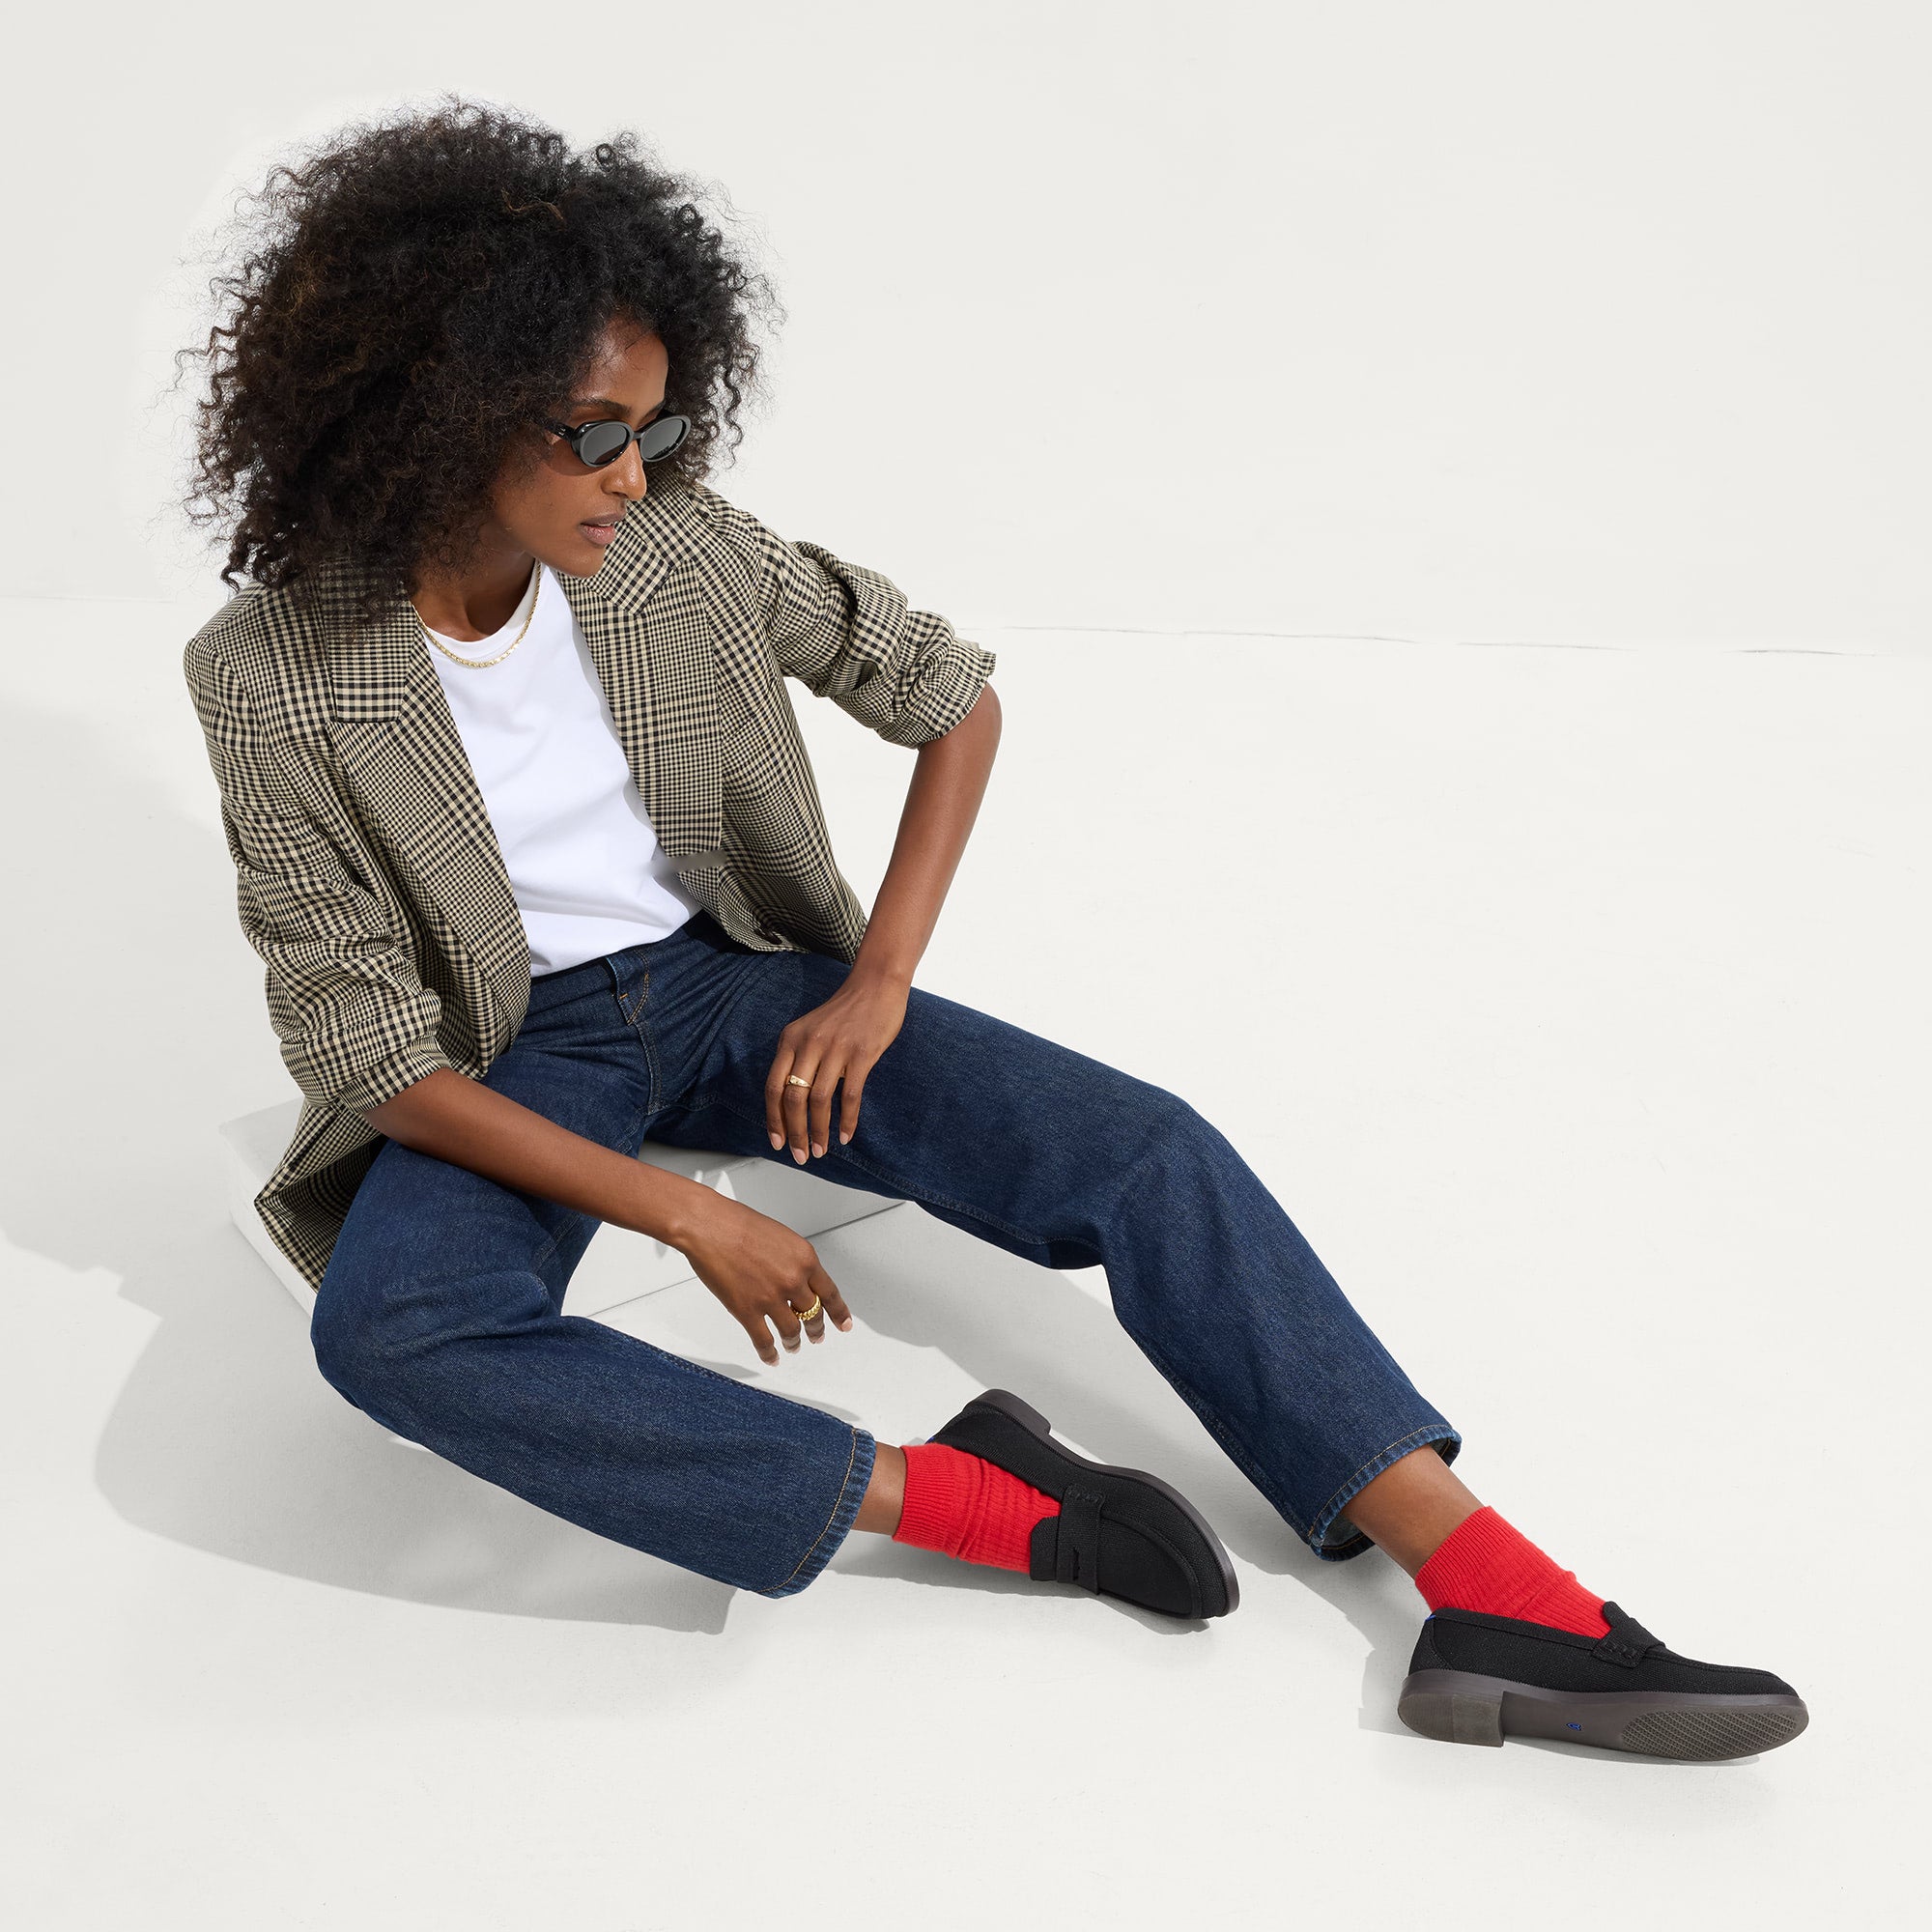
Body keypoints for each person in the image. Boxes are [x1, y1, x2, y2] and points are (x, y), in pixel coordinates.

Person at [180, 99, 1804, 1761]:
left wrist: (877, 985)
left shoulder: (681, 553)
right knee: (392, 1331)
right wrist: (680, 1215)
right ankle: (973, 1498)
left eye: (653, 429)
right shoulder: (271, 674)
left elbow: (950, 698)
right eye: (594, 432)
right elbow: (368, 1052)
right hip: (514, 1052)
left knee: (1144, 1152)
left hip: (737, 989)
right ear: (443, 408)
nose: (634, 474)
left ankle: (1489, 1591)